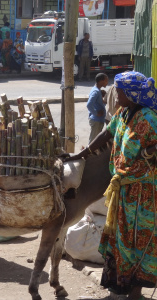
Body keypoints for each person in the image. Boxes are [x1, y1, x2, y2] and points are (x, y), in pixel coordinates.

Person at [66, 71, 157, 300]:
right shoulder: (123, 114)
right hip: (123, 190)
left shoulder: (149, 118)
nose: (116, 96)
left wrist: (150, 152)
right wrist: (82, 154)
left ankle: (136, 288)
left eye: (120, 92)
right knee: (121, 237)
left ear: (132, 94)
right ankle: (123, 283)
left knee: (138, 237)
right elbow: (106, 134)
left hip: (143, 192)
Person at [87, 73, 109, 143]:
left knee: (95, 140)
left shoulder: (97, 90)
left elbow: (98, 103)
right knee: (93, 141)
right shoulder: (96, 91)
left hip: (98, 120)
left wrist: (102, 100)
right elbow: (89, 104)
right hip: (96, 120)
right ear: (101, 81)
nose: (107, 82)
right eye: (106, 80)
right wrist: (96, 113)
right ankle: (88, 154)